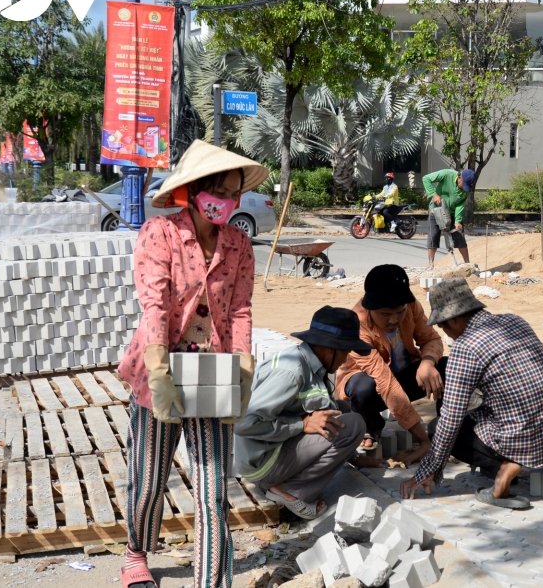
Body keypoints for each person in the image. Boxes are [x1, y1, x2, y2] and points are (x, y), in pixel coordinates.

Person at [116, 139, 267, 588]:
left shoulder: (239, 244)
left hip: (212, 375)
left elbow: (240, 309)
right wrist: (158, 369)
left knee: (212, 488)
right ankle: (135, 552)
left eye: (233, 191)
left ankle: (211, 581)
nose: (226, 200)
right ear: (195, 189)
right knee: (148, 477)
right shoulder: (159, 234)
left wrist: (242, 369)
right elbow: (155, 306)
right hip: (158, 371)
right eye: (217, 189)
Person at [399, 278, 543, 509]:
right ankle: (513, 461)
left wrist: (430, 468)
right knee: (482, 410)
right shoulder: (514, 321)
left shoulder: (466, 347)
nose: (448, 336)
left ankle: (506, 466)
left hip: (520, 438)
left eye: (444, 327)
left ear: (453, 319)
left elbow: (451, 418)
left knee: (439, 427)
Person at [235, 306, 372, 520]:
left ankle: (281, 483)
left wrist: (354, 457)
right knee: (354, 425)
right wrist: (301, 424)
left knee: (339, 410)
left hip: (269, 451)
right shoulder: (291, 373)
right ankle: (291, 491)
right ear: (329, 348)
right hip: (261, 462)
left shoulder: (309, 362)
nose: (345, 360)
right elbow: (243, 424)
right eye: (345, 352)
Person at [336, 265, 445, 462]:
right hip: (370, 386)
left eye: (399, 312)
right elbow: (385, 382)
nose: (394, 320)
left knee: (447, 367)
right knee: (363, 388)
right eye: (385, 315)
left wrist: (427, 362)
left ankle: (446, 429)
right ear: (370, 307)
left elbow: (432, 339)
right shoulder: (357, 325)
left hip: (404, 374)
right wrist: (422, 440)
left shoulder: (411, 306)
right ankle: (369, 422)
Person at [423, 168, 475, 266]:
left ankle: (467, 264)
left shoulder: (466, 190)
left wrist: (458, 221)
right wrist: (433, 194)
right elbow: (426, 179)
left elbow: (461, 205)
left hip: (451, 214)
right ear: (460, 178)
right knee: (433, 238)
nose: (464, 188)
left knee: (460, 237)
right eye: (463, 185)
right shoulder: (447, 174)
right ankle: (431, 265)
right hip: (436, 211)